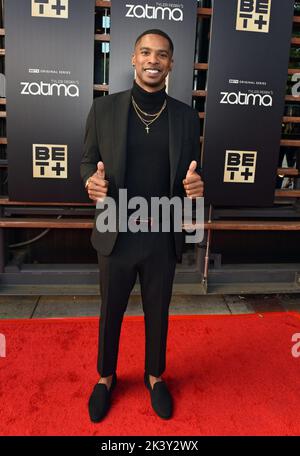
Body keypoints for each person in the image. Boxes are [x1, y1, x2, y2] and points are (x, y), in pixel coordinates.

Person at [80, 29, 204, 422]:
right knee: (110, 309)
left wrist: (197, 188)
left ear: (171, 64)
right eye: (146, 52)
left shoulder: (186, 116)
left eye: (162, 55)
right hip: (116, 229)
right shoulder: (104, 110)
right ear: (133, 59)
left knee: (158, 310)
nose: (153, 60)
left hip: (162, 230)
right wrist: (91, 182)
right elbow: (87, 161)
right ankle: (105, 376)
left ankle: (154, 375)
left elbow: (192, 175)